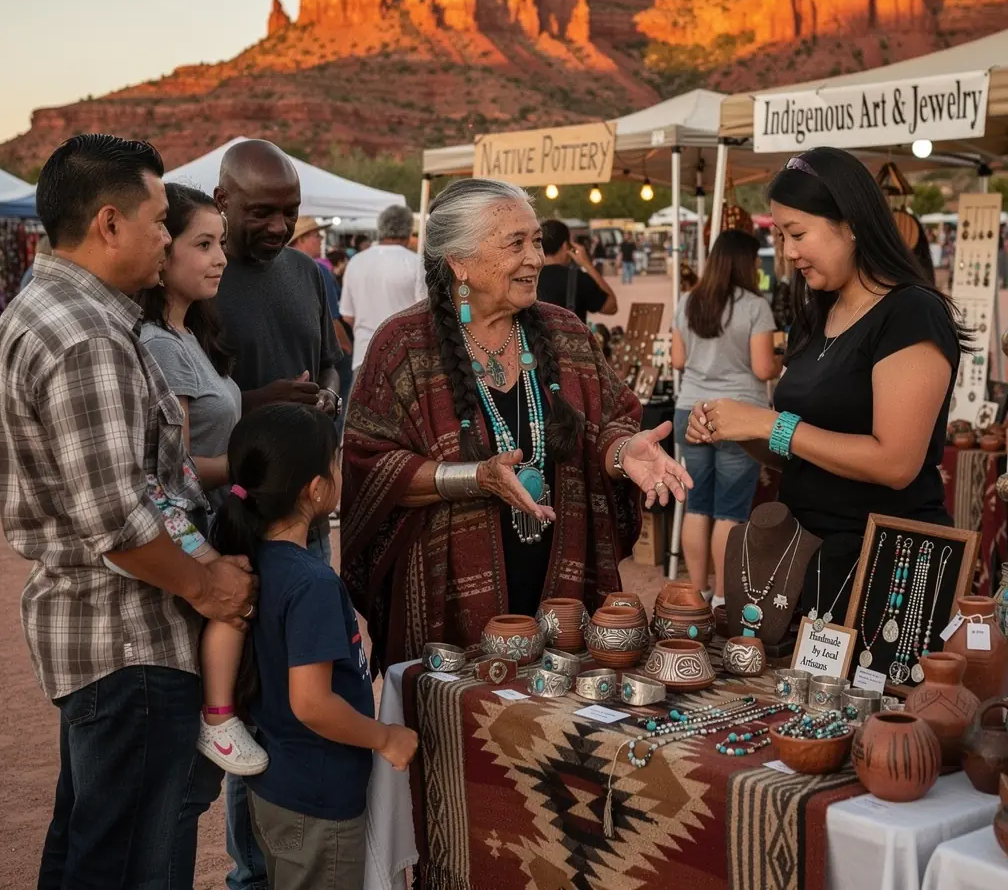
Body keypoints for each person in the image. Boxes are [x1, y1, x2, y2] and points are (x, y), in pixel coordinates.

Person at [0, 134, 256, 889]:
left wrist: (202, 560)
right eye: (162, 221)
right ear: (109, 223)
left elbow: (143, 487)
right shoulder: (86, 338)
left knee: (89, 849)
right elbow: (119, 519)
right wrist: (209, 586)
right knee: (125, 862)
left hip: (106, 634)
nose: (167, 239)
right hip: (126, 636)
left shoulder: (68, 314)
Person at [341, 178, 692, 670]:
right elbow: (369, 463)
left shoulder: (566, 332)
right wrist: (475, 477)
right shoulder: (403, 346)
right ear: (458, 262)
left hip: (565, 595)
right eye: (516, 243)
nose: (536, 258)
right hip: (450, 602)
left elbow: (609, 420)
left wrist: (621, 453)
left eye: (536, 241)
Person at [687, 147, 966, 621]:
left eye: (798, 234)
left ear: (851, 223)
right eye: (780, 235)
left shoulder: (910, 313)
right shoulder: (816, 316)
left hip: (885, 570)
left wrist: (769, 422)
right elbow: (800, 451)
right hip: (804, 558)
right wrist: (739, 430)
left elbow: (896, 462)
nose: (788, 252)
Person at [216, 404, 419, 890]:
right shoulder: (311, 583)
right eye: (335, 462)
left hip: (282, 787)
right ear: (315, 488)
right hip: (317, 800)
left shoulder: (253, 561)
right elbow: (311, 702)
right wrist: (385, 738)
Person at [212, 137, 343, 890]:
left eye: (290, 212)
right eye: (262, 212)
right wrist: (260, 406)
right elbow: (190, 409)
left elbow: (327, 361)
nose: (278, 226)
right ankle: (248, 871)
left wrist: (324, 395)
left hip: (309, 522)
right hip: (232, 527)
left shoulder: (308, 274)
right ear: (223, 200)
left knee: (301, 691)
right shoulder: (197, 278)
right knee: (244, 704)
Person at [133, 182, 267, 784]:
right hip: (187, 531)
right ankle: (218, 719)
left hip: (213, 520)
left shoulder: (189, 334)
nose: (220, 257)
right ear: (163, 257)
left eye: (220, 244)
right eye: (203, 244)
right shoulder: (160, 345)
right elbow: (176, 466)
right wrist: (259, 467)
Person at [671, 230, 781, 609]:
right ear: (745, 263)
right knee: (730, 511)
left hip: (691, 409)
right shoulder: (755, 305)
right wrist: (784, 359)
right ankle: (721, 599)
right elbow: (764, 367)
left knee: (697, 505)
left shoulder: (687, 300)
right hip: (739, 415)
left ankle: (695, 593)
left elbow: (678, 360)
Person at [339, 204, 421, 377]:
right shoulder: (417, 263)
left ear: (381, 229)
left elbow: (347, 317)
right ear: (408, 231)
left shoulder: (356, 262)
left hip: (364, 356)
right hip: (405, 359)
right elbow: (424, 316)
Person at [290, 217, 355, 424]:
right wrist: (346, 347)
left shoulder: (286, 269)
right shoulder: (315, 270)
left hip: (305, 358)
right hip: (329, 358)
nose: (320, 240)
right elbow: (333, 320)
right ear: (301, 239)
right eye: (316, 236)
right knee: (333, 411)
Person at [538, 219, 617, 323]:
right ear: (565, 246)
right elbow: (611, 307)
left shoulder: (528, 278)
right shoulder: (577, 278)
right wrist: (586, 264)